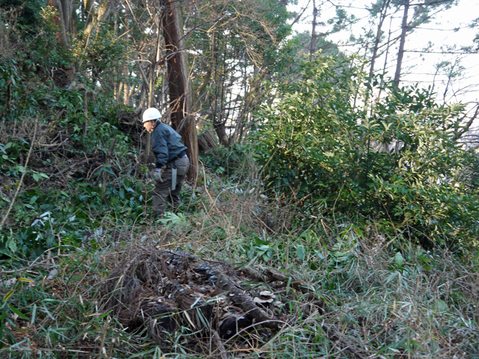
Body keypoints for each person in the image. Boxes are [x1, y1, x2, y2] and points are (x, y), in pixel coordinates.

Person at [142, 107, 189, 218]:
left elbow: (163, 153)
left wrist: (158, 169)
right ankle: (181, 218)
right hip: (183, 162)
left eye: (145, 123)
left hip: (176, 165)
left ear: (152, 122)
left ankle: (158, 220)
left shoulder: (158, 131)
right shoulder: (165, 128)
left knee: (159, 191)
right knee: (173, 194)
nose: (144, 126)